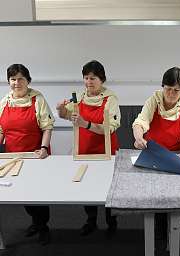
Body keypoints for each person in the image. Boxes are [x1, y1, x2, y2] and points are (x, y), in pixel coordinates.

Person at [132, 66, 180, 253]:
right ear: (162, 86)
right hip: (154, 154)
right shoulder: (153, 100)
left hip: (177, 155)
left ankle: (172, 233)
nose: (171, 93)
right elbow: (140, 122)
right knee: (154, 197)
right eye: (168, 88)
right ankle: (158, 234)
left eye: (176, 90)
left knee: (173, 198)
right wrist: (139, 137)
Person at [56, 60, 121, 237]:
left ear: (102, 80)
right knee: (87, 187)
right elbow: (67, 116)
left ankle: (111, 222)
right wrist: (60, 109)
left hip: (106, 152)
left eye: (93, 78)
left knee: (108, 189)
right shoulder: (78, 96)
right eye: (86, 78)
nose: (89, 82)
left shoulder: (110, 99)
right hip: (84, 150)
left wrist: (86, 124)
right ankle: (91, 220)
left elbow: (110, 128)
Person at [0, 64, 54, 245]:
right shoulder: (5, 101)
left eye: (21, 78)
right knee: (22, 192)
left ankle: (43, 226)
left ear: (28, 80)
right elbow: (1, 130)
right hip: (13, 156)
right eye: (13, 79)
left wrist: (44, 148)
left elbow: (47, 127)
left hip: (36, 154)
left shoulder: (37, 99)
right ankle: (36, 222)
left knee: (39, 193)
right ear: (9, 82)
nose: (17, 82)